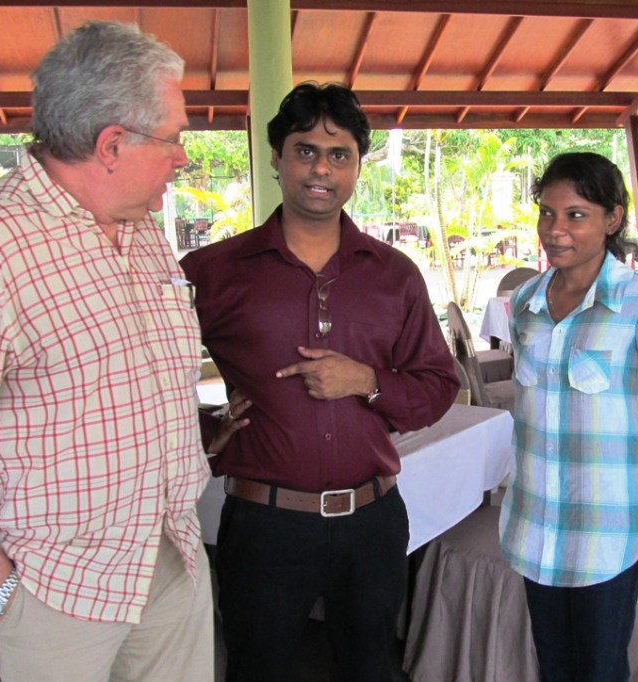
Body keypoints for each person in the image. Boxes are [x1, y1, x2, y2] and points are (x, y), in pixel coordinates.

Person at [0, 22, 214, 681]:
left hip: (171, 557)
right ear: (112, 143)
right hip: (54, 588)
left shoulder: (141, 230)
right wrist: (0, 590)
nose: (183, 157)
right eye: (173, 138)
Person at [181, 82, 460, 681]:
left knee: (369, 668)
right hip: (264, 526)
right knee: (258, 669)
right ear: (276, 158)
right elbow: (139, 377)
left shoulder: (394, 274)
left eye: (340, 155)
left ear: (359, 165)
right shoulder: (215, 272)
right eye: (305, 150)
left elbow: (438, 385)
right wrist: (209, 428)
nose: (321, 169)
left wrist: (369, 380)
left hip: (373, 521)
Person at [499, 152, 638, 682]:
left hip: (609, 538)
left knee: (600, 670)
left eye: (575, 215)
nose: (555, 229)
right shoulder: (525, 303)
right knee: (554, 667)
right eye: (547, 212)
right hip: (535, 528)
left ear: (612, 219)